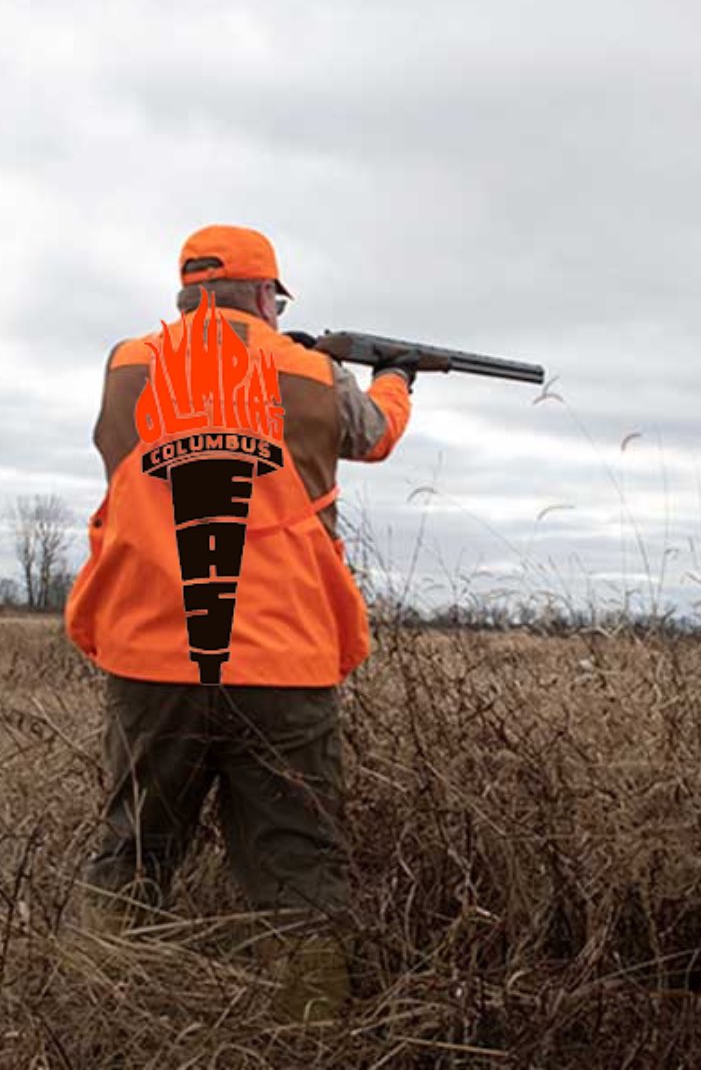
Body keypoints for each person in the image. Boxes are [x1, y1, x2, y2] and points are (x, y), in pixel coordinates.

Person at [64, 224, 413, 1019]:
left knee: (133, 851)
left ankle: (94, 1017)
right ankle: (309, 1032)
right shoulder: (312, 371)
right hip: (282, 659)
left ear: (188, 293)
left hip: (153, 654)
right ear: (264, 294)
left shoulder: (127, 365)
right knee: (298, 866)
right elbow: (376, 434)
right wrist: (395, 378)